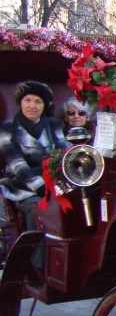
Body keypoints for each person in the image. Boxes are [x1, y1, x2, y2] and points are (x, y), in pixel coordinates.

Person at [0, 81, 68, 231]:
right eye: (27, 100)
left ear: (45, 105)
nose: (32, 106)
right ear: (20, 103)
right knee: (37, 208)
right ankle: (38, 254)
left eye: (38, 102)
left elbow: (64, 153)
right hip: (23, 185)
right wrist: (42, 188)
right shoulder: (7, 129)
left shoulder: (53, 125)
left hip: (55, 182)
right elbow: (18, 166)